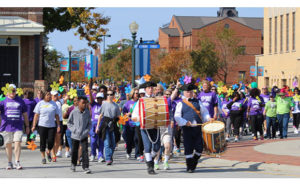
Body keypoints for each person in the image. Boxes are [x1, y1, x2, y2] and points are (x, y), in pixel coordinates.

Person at [174, 84, 211, 173]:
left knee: (200, 148)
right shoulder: (180, 103)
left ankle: (194, 161)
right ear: (184, 93)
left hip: (198, 128)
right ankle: (189, 166)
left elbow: (204, 113)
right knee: (188, 147)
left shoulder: (198, 102)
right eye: (187, 92)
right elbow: (177, 116)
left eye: (191, 92)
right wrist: (185, 122)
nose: (189, 93)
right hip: (187, 129)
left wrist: (209, 118)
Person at [131, 81, 162, 174]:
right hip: (144, 127)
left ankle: (150, 158)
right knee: (147, 147)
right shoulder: (141, 101)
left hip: (155, 126)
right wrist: (140, 118)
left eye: (152, 88)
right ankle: (150, 167)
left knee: (157, 147)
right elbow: (134, 115)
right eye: (149, 88)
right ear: (145, 90)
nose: (151, 89)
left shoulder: (157, 99)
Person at [0, 84, 30, 170]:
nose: (12, 92)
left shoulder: (20, 101)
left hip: (18, 126)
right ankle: (9, 162)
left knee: (17, 142)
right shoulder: (3, 101)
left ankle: (17, 161)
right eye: (11, 90)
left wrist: (27, 126)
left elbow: (25, 115)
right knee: (8, 145)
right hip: (6, 127)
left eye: (14, 91)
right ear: (7, 91)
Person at [32, 90, 60, 164]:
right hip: (42, 125)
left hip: (52, 125)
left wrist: (58, 125)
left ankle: (48, 151)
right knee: (42, 141)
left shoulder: (54, 104)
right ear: (44, 96)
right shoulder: (40, 103)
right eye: (47, 95)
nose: (49, 96)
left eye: (50, 95)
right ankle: (43, 157)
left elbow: (57, 115)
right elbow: (36, 115)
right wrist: (34, 125)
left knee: (51, 141)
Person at [96, 89, 121, 166]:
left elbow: (118, 117)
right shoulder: (104, 104)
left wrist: (120, 127)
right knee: (107, 143)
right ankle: (108, 159)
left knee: (113, 144)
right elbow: (100, 116)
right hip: (105, 124)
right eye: (108, 95)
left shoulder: (116, 105)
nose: (109, 96)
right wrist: (97, 126)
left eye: (111, 94)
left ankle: (110, 156)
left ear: (113, 96)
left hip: (113, 124)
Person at [67, 96, 92, 174]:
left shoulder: (87, 112)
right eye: (83, 103)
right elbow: (69, 123)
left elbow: (89, 124)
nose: (84, 105)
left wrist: (86, 131)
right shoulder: (74, 112)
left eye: (85, 103)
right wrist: (74, 130)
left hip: (84, 135)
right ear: (78, 103)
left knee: (85, 151)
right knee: (74, 151)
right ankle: (73, 164)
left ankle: (86, 167)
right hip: (75, 135)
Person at [89, 79, 105, 163]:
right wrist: (89, 88)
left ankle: (101, 156)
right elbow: (91, 98)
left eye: (101, 98)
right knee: (93, 141)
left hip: (102, 124)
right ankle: (92, 154)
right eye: (98, 98)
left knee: (101, 141)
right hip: (93, 124)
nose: (99, 99)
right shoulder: (93, 104)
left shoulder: (104, 105)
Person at [122, 88, 139, 159]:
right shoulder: (128, 103)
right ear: (133, 94)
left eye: (138, 93)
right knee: (129, 140)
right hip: (129, 124)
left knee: (137, 139)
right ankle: (128, 151)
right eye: (136, 93)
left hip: (137, 123)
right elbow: (123, 113)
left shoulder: (139, 102)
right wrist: (127, 114)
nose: (137, 95)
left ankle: (137, 154)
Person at [52, 90, 63, 162]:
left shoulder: (59, 103)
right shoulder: (49, 103)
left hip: (60, 122)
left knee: (58, 140)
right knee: (52, 140)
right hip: (52, 122)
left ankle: (54, 152)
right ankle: (53, 155)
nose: (56, 96)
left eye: (56, 95)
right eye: (54, 95)